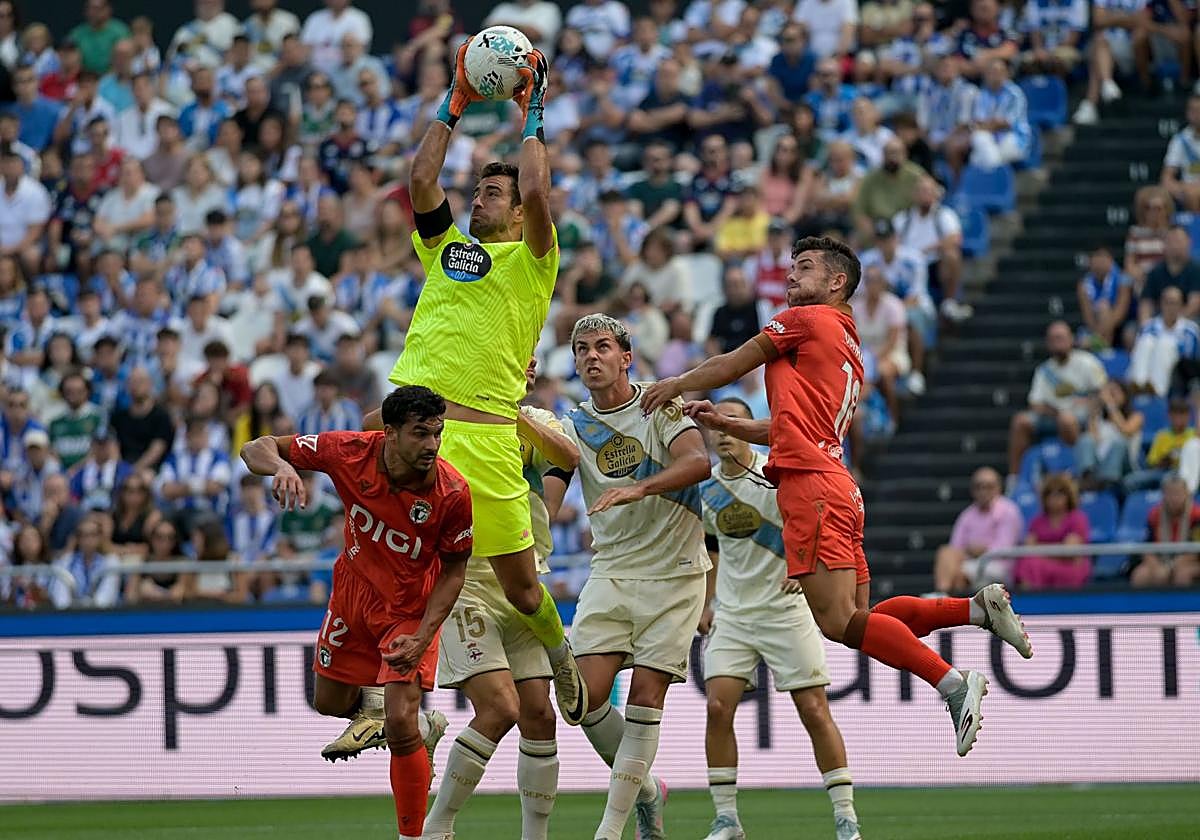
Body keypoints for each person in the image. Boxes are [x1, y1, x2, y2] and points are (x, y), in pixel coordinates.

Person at [641, 236, 1033, 758]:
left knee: (838, 623)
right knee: (862, 618)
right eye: (791, 267)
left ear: (836, 282)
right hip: (838, 485)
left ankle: (954, 684)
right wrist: (731, 421)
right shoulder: (849, 343)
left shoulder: (805, 320)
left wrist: (678, 384)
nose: (791, 277)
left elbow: (736, 361)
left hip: (810, 489)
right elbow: (796, 427)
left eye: (804, 267)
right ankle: (974, 609)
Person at [363, 44, 585, 724]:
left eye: (493, 192)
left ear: (517, 214)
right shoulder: (451, 250)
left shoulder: (533, 262)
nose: (479, 198)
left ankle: (560, 652)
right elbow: (421, 180)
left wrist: (532, 111)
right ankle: (389, 700)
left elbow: (540, 189)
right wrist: (455, 102)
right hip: (412, 428)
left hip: (485, 441)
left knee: (522, 590)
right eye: (480, 190)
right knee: (386, 560)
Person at [240, 385, 471, 839]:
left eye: (437, 433)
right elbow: (255, 448)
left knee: (399, 721)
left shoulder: (451, 492)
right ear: (388, 433)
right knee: (329, 703)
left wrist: (424, 635)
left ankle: (415, 834)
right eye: (420, 434)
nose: (431, 445)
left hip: (408, 607)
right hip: (351, 593)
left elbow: (454, 571)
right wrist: (283, 466)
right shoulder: (347, 451)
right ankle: (421, 726)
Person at [543, 314, 711, 840]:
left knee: (644, 698)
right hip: (612, 572)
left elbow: (698, 462)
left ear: (626, 357)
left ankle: (610, 831)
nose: (591, 357)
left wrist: (639, 489)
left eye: (602, 347)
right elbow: (548, 499)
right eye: (581, 350)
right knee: (580, 703)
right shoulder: (571, 428)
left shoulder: (659, 406)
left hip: (675, 574)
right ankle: (646, 791)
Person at [417, 358, 579, 840]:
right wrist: (447, 397)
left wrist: (507, 408)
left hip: (521, 577)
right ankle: (437, 824)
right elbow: (377, 423)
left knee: (540, 714)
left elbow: (567, 456)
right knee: (501, 708)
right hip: (462, 581)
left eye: (526, 363)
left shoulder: (538, 421)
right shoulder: (444, 421)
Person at [697, 397, 860, 840]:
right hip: (733, 613)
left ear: (753, 429)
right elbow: (713, 549)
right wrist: (706, 604)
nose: (724, 433)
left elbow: (824, 520)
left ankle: (846, 818)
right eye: (717, 426)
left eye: (734, 424)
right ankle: (727, 819)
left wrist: (803, 566)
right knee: (716, 708)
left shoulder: (778, 474)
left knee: (813, 709)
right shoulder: (706, 489)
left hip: (785, 609)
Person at [1007, 321, 1107, 487]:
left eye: (1060, 338)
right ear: (1047, 343)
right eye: (1053, 339)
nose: (1057, 343)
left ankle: (1079, 471)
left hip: (1082, 415)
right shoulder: (1044, 370)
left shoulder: (1087, 362)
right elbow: (1035, 403)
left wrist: (1092, 418)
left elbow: (1102, 393)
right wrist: (1057, 412)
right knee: (1020, 421)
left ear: (1071, 339)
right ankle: (1014, 480)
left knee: (1067, 420)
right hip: (1052, 416)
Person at [934, 467, 1024, 594]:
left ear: (998, 488)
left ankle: (941, 598)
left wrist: (979, 550)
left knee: (958, 573)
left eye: (988, 486)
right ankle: (944, 597)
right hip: (971, 563)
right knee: (946, 554)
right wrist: (970, 552)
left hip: (999, 566)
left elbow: (1004, 549)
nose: (983, 491)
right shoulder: (967, 514)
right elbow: (955, 547)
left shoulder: (1008, 511)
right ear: (973, 491)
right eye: (979, 487)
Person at [1013, 473, 1091, 590]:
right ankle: (1029, 605)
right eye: (1050, 493)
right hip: (1041, 565)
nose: (1054, 498)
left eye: (1059, 493)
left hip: (1069, 567)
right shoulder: (1038, 521)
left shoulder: (1077, 518)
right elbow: (1028, 548)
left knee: (1032, 563)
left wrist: (1038, 549)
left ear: (1068, 496)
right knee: (1027, 563)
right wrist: (1052, 550)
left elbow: (1068, 551)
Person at [1130, 473, 1200, 588]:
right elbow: (1147, 547)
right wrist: (1156, 566)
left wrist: (1170, 567)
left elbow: (1195, 552)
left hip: (1191, 562)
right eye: (1170, 493)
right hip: (1162, 560)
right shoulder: (1155, 515)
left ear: (1187, 494)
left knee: (1182, 575)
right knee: (1140, 575)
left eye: (1178, 493)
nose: (1174, 498)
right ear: (1163, 495)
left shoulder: (1197, 516)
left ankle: (1181, 606)